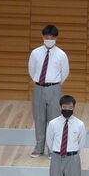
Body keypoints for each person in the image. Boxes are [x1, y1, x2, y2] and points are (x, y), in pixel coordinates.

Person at [28, 24, 69, 158]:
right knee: (39, 118)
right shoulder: (35, 53)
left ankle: (52, 148)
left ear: (56, 38)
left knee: (54, 119)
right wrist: (39, 82)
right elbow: (32, 69)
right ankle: (39, 148)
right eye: (46, 37)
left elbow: (65, 72)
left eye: (51, 37)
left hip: (54, 88)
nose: (49, 39)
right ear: (42, 37)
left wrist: (55, 84)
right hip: (39, 87)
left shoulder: (61, 54)